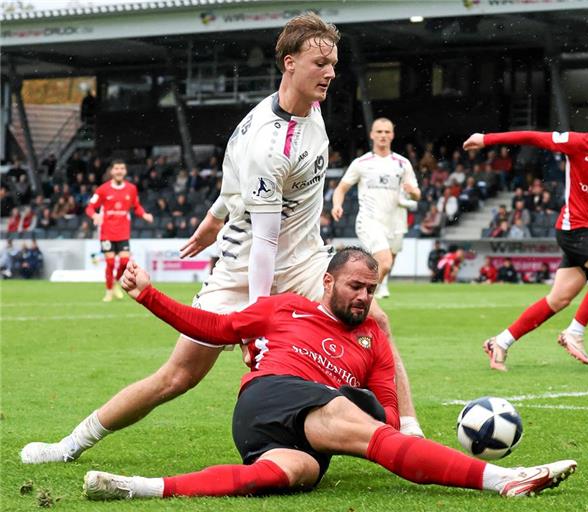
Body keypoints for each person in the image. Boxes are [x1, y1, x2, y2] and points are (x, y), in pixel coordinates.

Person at [20, 13, 422, 467]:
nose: (330, 72)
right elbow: (264, 242)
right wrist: (257, 322)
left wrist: (213, 219)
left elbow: (232, 185)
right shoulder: (267, 143)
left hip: (306, 262)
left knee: (377, 321)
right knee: (178, 376)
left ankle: (409, 431)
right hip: (244, 269)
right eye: (320, 63)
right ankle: (69, 445)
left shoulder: (312, 106)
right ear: (289, 64)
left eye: (333, 63)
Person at [83, 250, 577, 501]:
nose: (363, 297)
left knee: (288, 474)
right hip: (269, 395)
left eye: (371, 289)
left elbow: (384, 416)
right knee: (350, 420)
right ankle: (503, 479)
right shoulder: (283, 308)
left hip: (301, 434)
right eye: (355, 286)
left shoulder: (373, 340)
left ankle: (139, 487)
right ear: (327, 281)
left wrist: (382, 416)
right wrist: (149, 295)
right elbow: (216, 327)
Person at [464, 89, 588, 371]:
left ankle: (500, 342)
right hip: (575, 228)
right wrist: (487, 139)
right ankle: (575, 332)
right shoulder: (579, 143)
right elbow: (532, 137)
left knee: (559, 299)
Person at [331, 117, 421, 299]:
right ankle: (355, 295)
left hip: (396, 220)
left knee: (389, 260)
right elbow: (341, 188)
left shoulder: (402, 163)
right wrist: (337, 205)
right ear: (372, 135)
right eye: (379, 131)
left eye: (387, 132)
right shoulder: (361, 163)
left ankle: (377, 287)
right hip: (370, 220)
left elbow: (417, 194)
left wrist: (412, 192)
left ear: (392, 135)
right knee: (385, 261)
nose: (383, 135)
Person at [84, 159, 154, 302]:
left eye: (122, 168)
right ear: (112, 171)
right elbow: (89, 208)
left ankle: (116, 282)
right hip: (107, 232)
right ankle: (109, 291)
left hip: (123, 233)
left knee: (124, 262)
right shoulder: (103, 189)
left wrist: (144, 214)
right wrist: (95, 215)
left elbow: (136, 206)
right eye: (116, 168)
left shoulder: (131, 189)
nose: (119, 171)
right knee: (110, 263)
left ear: (125, 171)